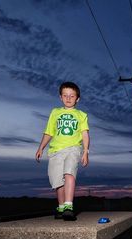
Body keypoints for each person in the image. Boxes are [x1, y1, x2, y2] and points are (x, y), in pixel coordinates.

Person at [35, 82, 90, 221]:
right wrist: (41, 147)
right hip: (56, 150)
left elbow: (85, 134)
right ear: (60, 97)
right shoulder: (55, 112)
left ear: (77, 99)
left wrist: (85, 152)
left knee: (69, 173)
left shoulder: (81, 115)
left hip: (73, 148)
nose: (68, 98)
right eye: (65, 95)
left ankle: (68, 206)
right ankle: (61, 207)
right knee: (57, 180)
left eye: (72, 96)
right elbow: (49, 132)